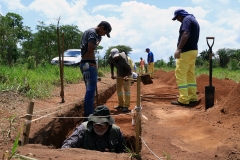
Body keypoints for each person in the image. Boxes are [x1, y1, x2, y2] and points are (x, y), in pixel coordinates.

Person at [79, 21, 112, 117]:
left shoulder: (88, 32)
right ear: (101, 27)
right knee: (90, 91)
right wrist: (97, 43)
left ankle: (88, 113)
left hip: (85, 64)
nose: (104, 35)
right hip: (89, 65)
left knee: (89, 90)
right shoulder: (93, 32)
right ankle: (89, 115)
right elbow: (91, 47)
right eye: (105, 32)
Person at [62, 105, 126, 153]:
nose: (99, 128)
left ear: (108, 124)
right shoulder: (83, 129)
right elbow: (68, 144)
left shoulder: (116, 132)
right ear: (92, 122)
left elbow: (123, 151)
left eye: (103, 125)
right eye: (97, 125)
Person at [171, 9, 200, 106]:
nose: (177, 20)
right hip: (193, 51)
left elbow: (186, 33)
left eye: (177, 18)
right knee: (190, 74)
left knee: (180, 74)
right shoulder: (193, 20)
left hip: (186, 52)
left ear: (180, 15)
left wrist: (178, 49)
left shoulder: (186, 20)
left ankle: (183, 99)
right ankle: (192, 97)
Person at [108, 48, 132, 112]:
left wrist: (126, 76)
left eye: (117, 56)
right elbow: (112, 64)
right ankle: (121, 104)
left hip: (127, 73)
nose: (116, 58)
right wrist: (112, 74)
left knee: (126, 89)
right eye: (114, 57)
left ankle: (126, 106)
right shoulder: (110, 58)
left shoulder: (123, 58)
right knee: (118, 89)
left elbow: (129, 68)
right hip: (119, 73)